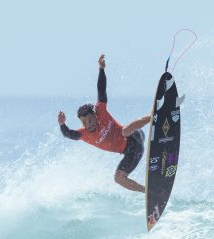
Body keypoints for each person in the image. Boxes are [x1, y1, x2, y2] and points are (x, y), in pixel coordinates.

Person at [58, 54, 151, 193]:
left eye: (89, 120)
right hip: (131, 153)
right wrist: (62, 124)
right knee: (118, 179)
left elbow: (101, 89)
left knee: (124, 131)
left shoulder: (100, 111)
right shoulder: (83, 134)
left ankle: (152, 117)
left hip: (135, 136)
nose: (87, 124)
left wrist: (101, 69)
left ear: (95, 115)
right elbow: (67, 134)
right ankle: (149, 192)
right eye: (84, 122)